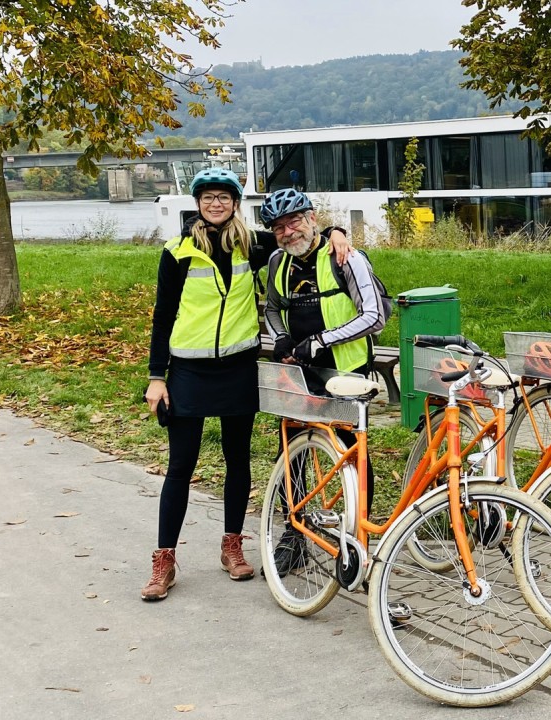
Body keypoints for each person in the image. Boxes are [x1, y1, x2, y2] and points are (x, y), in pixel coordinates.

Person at [142, 170, 351, 602]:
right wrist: (156, 377)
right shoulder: (177, 251)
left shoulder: (251, 244)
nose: (215, 203)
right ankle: (164, 559)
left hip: (238, 369)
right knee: (181, 466)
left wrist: (337, 232)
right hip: (188, 372)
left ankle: (232, 545)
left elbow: (295, 232)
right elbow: (162, 318)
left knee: (237, 461)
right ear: (197, 203)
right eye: (208, 197)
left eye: (224, 197)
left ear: (235, 203)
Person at [259, 188, 390, 576]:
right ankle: (294, 535)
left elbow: (375, 317)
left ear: (312, 218)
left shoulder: (344, 257)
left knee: (353, 452)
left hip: (346, 374)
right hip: (299, 370)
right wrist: (281, 337)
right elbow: (270, 308)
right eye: (278, 226)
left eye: (294, 221)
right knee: (291, 451)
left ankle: (357, 538)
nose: (287, 231)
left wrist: (319, 342)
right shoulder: (278, 261)